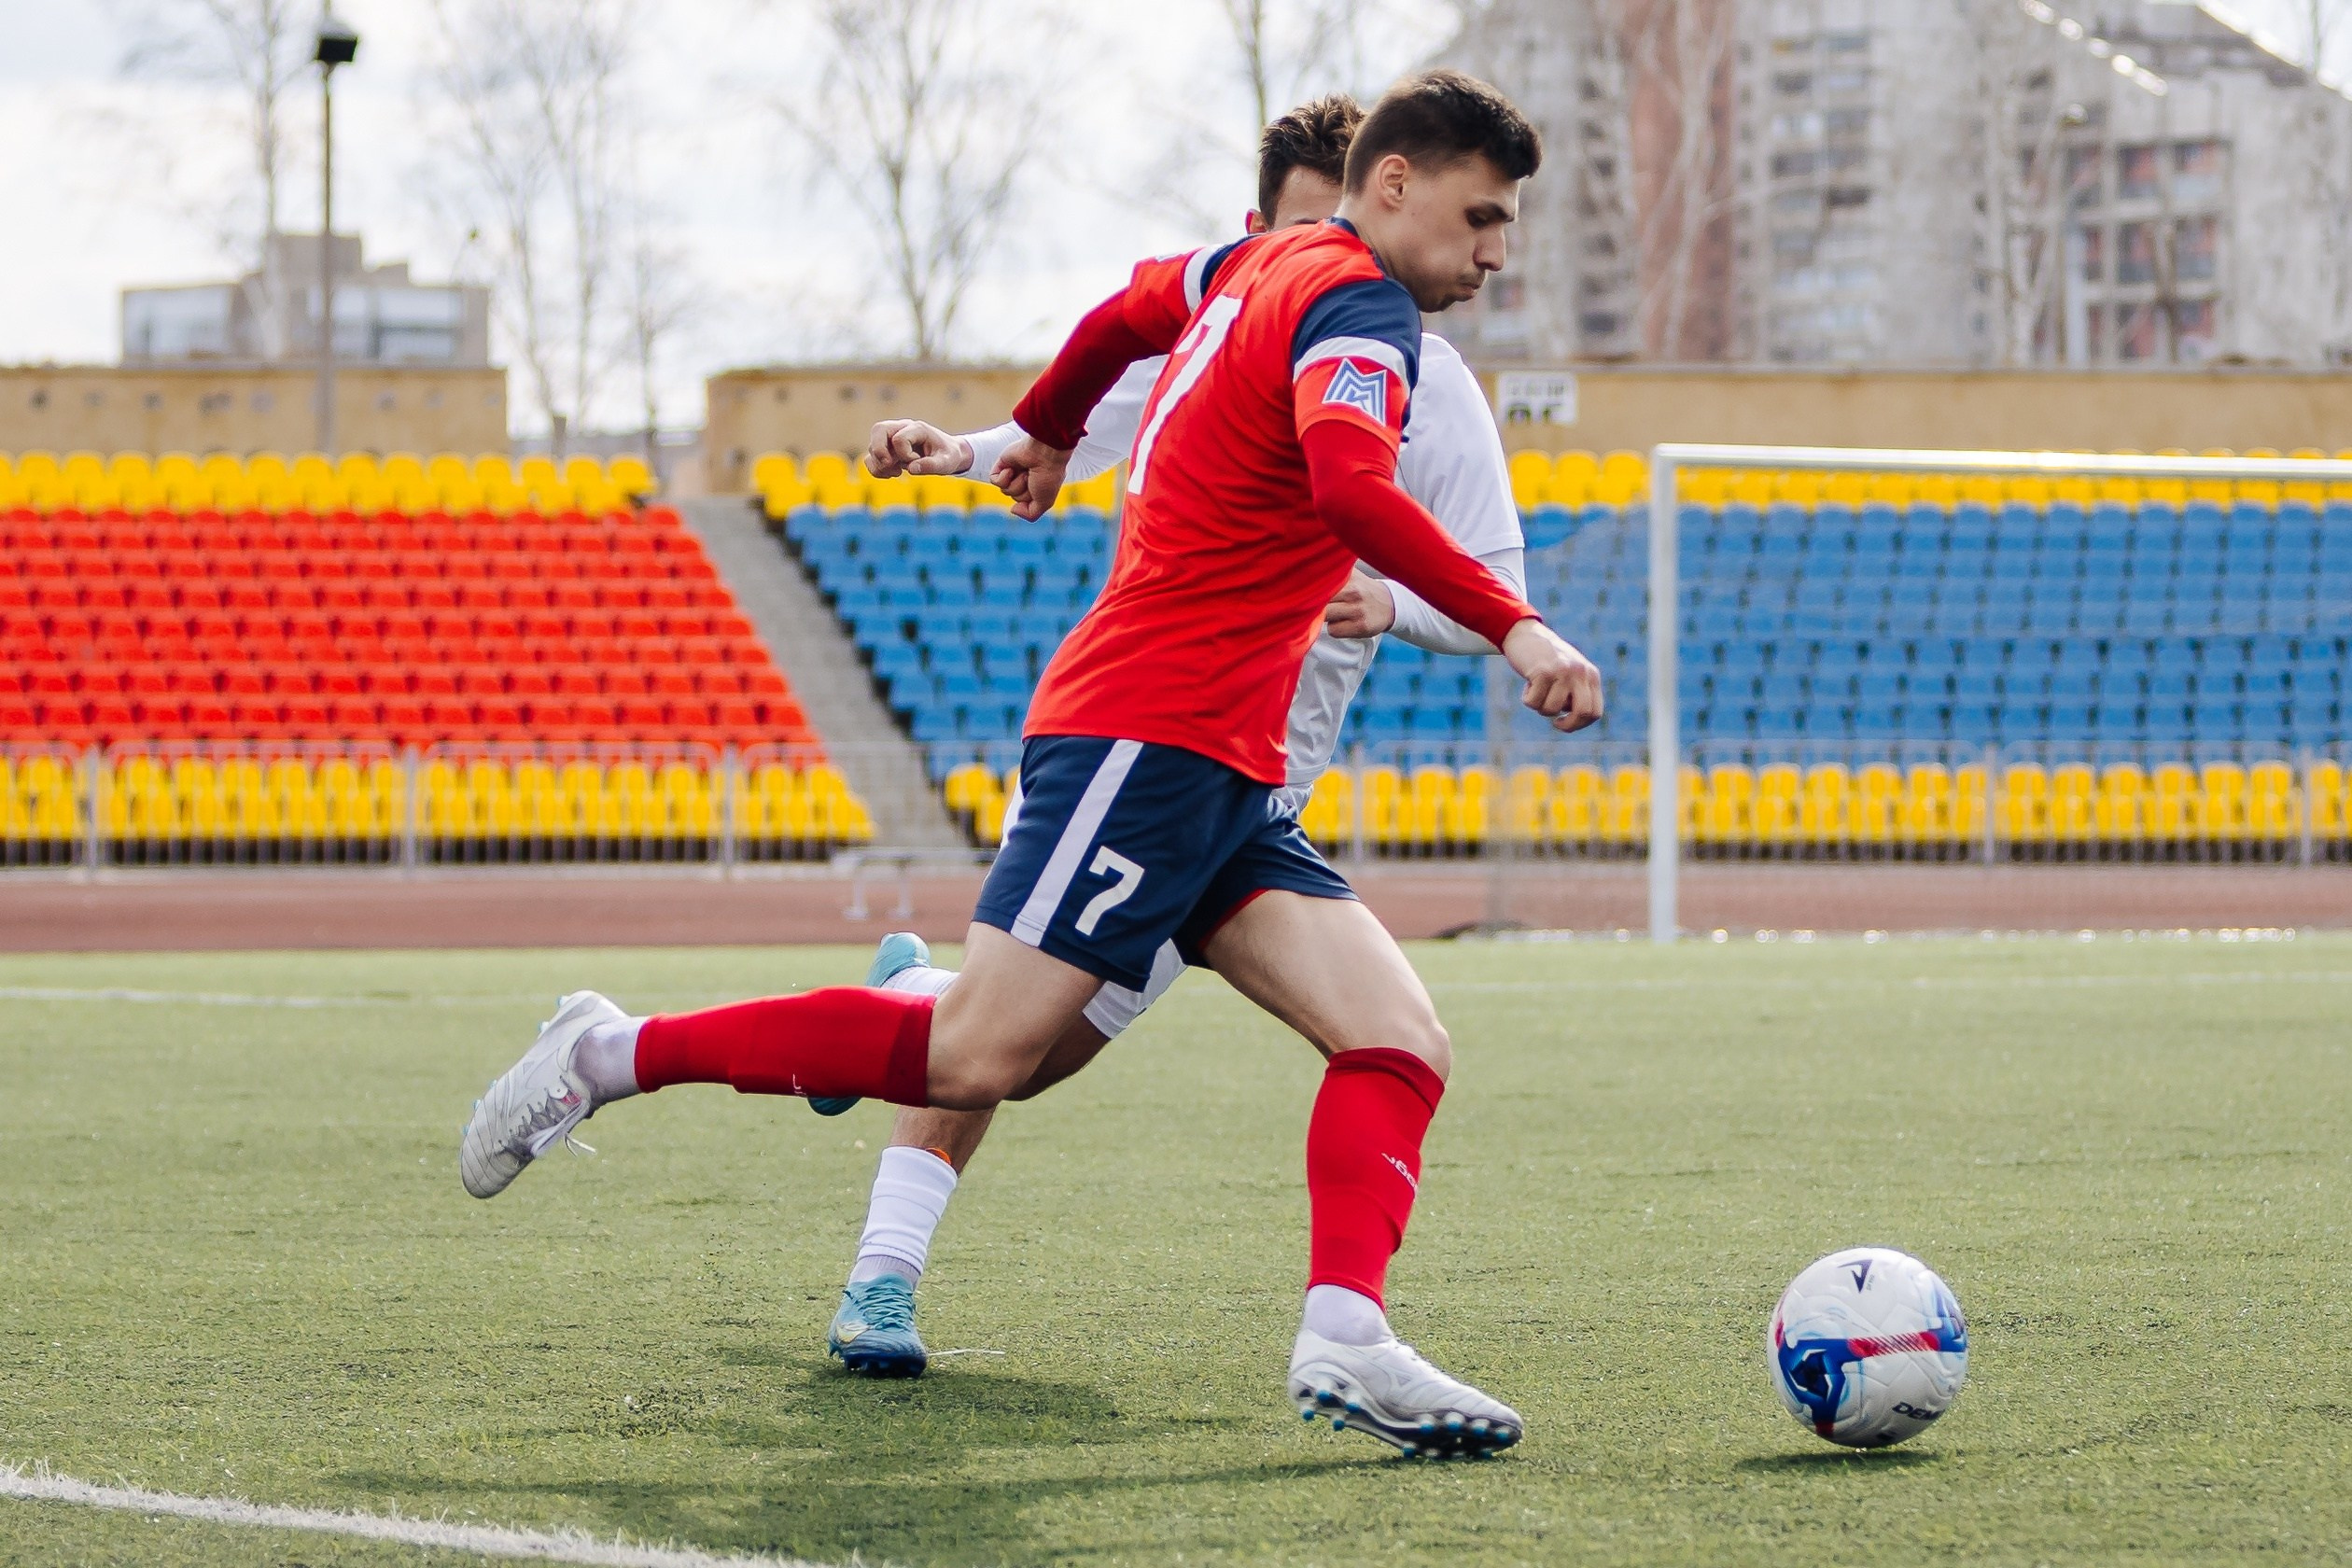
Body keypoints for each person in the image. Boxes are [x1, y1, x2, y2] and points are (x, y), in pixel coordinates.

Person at [459, 68, 1600, 1460]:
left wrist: (1051, 430)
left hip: (1229, 771)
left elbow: (1124, 312)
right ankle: (605, 1052)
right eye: (1482, 217)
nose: (1497, 252)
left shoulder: (1243, 267)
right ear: (1398, 183)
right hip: (1149, 735)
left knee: (1397, 1040)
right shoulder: (1359, 308)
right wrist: (1517, 624)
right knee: (976, 1055)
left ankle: (1348, 1334)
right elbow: (1350, 486)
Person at [821, 93, 1537, 1391]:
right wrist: (955, 450)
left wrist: (1392, 603)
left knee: (1028, 1056)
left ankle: (902, 1007)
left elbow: (1494, 586)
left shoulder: (1430, 384)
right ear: (1259, 229)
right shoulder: (1231, 320)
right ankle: (884, 1269)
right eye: (1295, 232)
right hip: (1152, 748)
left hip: (1258, 795)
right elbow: (1063, 429)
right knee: (996, 1050)